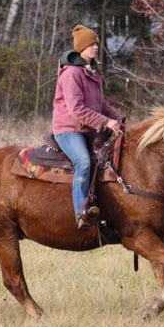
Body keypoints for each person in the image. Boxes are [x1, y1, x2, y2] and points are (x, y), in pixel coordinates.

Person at [52, 24, 124, 230]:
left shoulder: (93, 72)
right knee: (83, 161)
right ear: (80, 48)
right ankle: (81, 212)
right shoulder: (72, 74)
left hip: (89, 129)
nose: (95, 47)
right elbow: (76, 110)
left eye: (96, 44)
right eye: (91, 44)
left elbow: (102, 104)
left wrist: (118, 118)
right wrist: (105, 122)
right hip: (68, 129)